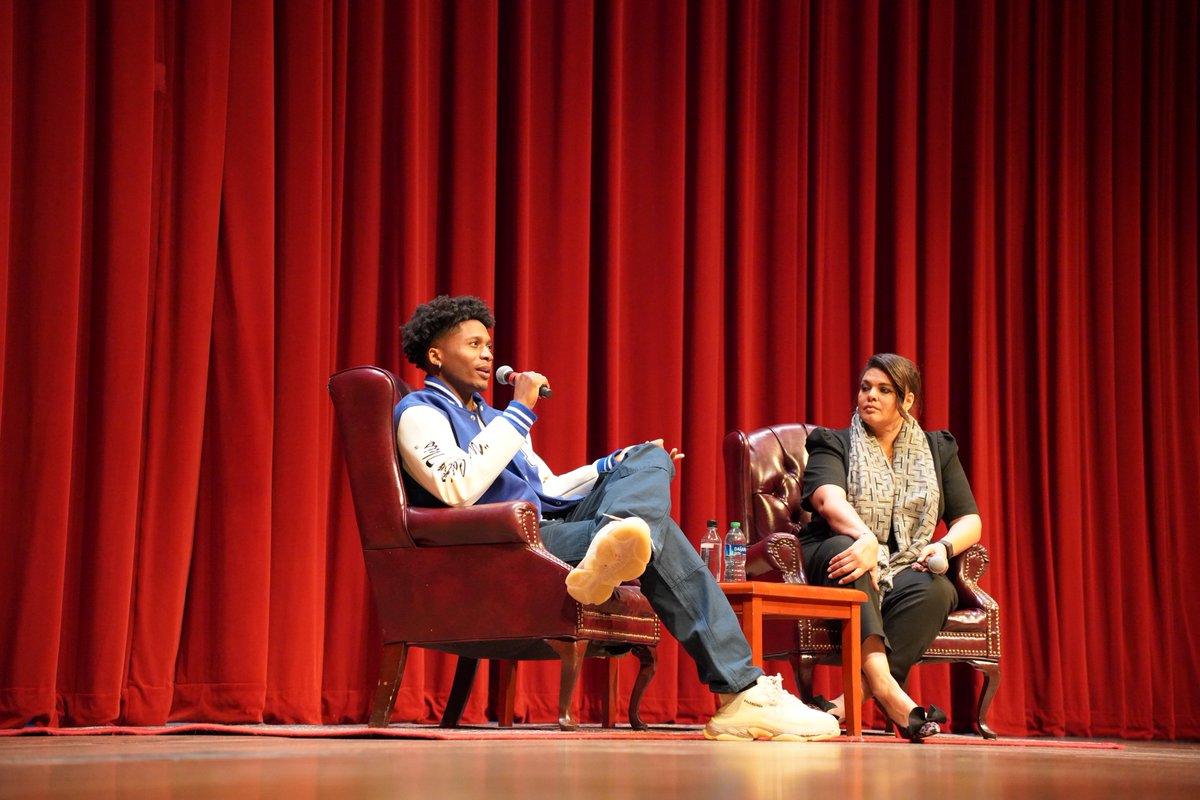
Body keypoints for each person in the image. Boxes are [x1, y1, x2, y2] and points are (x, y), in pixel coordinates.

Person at [393, 295, 839, 741]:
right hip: (505, 547)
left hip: (549, 528)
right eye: (473, 345)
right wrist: (521, 411)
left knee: (648, 457)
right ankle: (740, 692)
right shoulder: (420, 413)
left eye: (489, 345)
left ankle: (618, 543)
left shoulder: (494, 419)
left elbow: (548, 488)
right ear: (436, 355)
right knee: (653, 532)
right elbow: (457, 487)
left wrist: (613, 464)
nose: (488, 354)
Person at [799, 353, 983, 741]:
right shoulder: (832, 442)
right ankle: (888, 691)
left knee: (937, 588)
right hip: (831, 550)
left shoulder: (937, 450)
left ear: (908, 400)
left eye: (884, 390)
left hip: (901, 563)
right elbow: (828, 501)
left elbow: (970, 520)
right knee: (850, 552)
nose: (871, 396)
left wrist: (945, 548)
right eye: (866, 387)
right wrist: (865, 537)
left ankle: (843, 706)